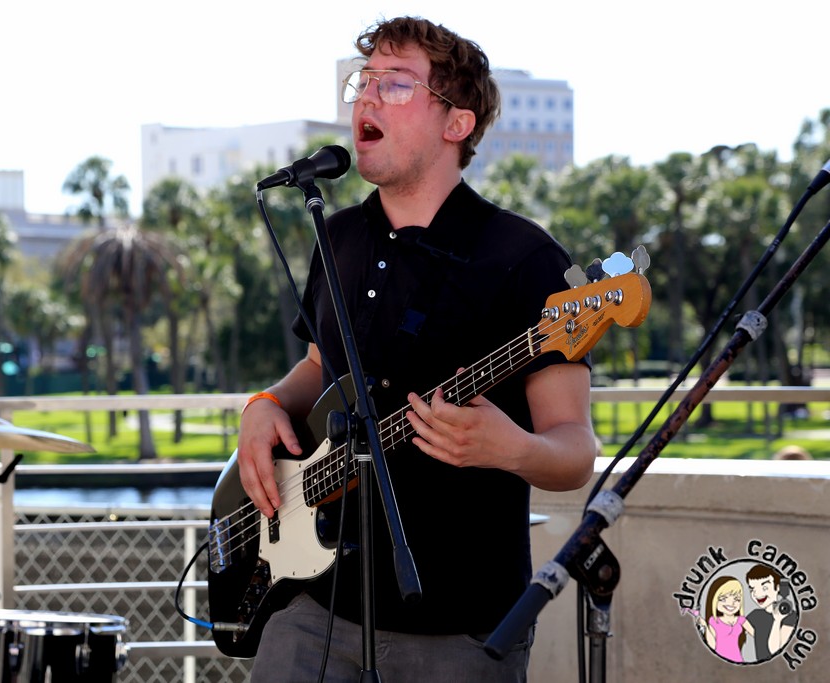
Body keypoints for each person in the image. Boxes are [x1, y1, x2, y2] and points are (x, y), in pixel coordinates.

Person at [236, 16, 597, 682]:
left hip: (459, 626)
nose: (366, 98)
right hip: (313, 608)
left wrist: (511, 449)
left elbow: (575, 449)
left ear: (456, 123)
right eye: (363, 81)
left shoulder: (525, 259)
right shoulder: (337, 236)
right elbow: (318, 370)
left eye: (395, 84)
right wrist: (264, 405)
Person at [745, 564, 798, 661]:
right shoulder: (755, 615)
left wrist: (777, 620)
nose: (757, 594)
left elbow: (774, 650)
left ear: (777, 587)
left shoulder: (790, 616)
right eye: (752, 589)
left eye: (764, 588)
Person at [695, 576, 753, 663]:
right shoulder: (714, 621)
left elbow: (757, 635)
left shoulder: (741, 620)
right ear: (714, 600)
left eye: (737, 599)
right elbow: (712, 645)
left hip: (738, 659)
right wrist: (705, 626)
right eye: (723, 599)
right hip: (718, 660)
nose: (731, 603)